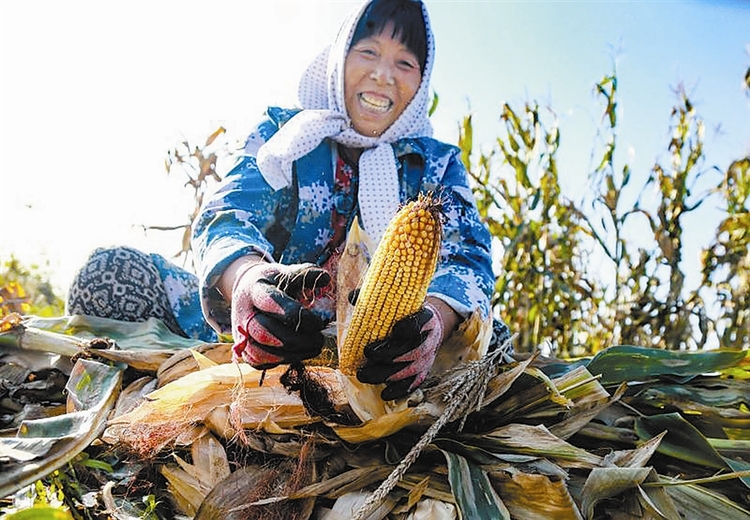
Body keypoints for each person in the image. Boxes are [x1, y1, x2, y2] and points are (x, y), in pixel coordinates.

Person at [67, 0, 510, 401]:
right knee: (107, 274)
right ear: (339, 59)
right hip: (268, 335)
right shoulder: (286, 132)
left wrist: (432, 319)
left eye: (406, 63)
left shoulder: (435, 164)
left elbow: (466, 258)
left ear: (421, 80)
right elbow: (227, 215)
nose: (383, 75)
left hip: (384, 361)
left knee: (499, 343)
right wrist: (246, 281)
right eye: (368, 52)